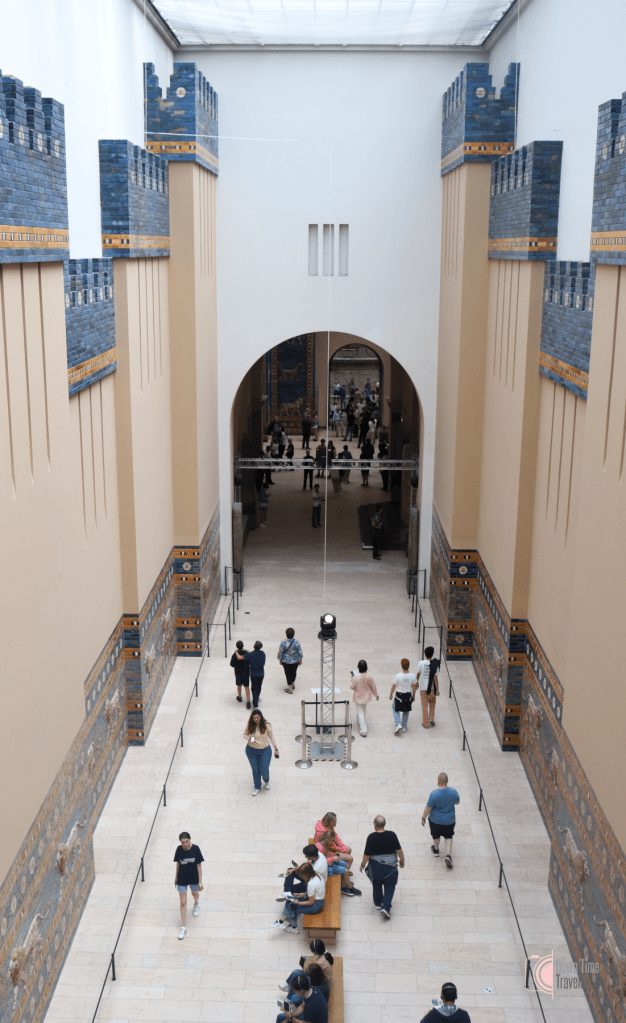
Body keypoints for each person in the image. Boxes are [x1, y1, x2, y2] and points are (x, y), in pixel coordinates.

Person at [359, 815, 404, 919]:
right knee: (390, 886)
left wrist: (362, 865)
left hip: (376, 867)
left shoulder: (371, 837)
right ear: (384, 824)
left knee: (376, 883)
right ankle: (386, 907)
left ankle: (378, 903)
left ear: (375, 825)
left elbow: (367, 855)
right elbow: (399, 851)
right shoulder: (392, 835)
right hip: (391, 867)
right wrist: (402, 860)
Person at [270, 862, 325, 934]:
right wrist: (302, 895)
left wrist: (298, 902)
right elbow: (314, 892)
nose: (301, 877)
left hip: (316, 906)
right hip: (315, 898)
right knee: (290, 900)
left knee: (291, 907)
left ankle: (291, 926)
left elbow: (311, 902)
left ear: (306, 875)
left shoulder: (311, 884)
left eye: (302, 875)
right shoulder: (316, 875)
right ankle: (282, 922)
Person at [422, 772, 460, 869]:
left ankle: (436, 850)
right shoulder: (454, 792)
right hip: (449, 820)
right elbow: (457, 802)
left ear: (438, 781)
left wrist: (423, 818)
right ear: (447, 781)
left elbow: (428, 808)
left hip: (435, 820)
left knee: (436, 835)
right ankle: (448, 855)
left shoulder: (434, 794)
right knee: (448, 836)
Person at [173, 831, 204, 940]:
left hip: (193, 877)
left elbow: (199, 866)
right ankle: (183, 926)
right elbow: (178, 863)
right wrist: (176, 877)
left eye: (187, 842)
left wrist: (200, 881)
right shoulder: (179, 849)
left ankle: (196, 904)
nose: (185, 844)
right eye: (183, 843)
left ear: (190, 839)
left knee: (195, 893)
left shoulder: (195, 849)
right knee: (183, 902)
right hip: (182, 878)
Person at [243, 708, 278, 795]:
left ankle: (266, 780)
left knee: (264, 769)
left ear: (261, 717)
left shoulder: (266, 725)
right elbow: (245, 734)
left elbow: (272, 737)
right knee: (255, 769)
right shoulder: (250, 725)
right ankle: (257, 786)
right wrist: (251, 739)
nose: (256, 719)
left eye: (257, 717)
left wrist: (276, 749)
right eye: (254, 718)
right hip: (251, 750)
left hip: (265, 750)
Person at [316, 829, 361, 896]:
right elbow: (321, 862)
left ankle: (344, 884)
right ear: (328, 839)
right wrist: (333, 858)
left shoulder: (325, 843)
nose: (333, 842)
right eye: (332, 840)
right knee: (346, 871)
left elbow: (327, 854)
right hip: (326, 866)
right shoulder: (320, 848)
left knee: (347, 865)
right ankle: (349, 888)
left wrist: (334, 854)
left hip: (331, 860)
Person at [350, 659, 379, 736]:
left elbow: (352, 687)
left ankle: (363, 730)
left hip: (358, 697)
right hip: (366, 697)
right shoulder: (369, 676)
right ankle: (359, 721)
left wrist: (352, 678)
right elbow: (373, 686)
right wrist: (376, 695)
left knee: (360, 712)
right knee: (363, 710)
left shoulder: (356, 676)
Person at [414, 645, 440, 728]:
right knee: (432, 703)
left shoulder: (421, 663)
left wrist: (416, 682)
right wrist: (437, 690)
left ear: (425, 654)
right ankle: (431, 718)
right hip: (432, 688)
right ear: (432, 654)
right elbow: (435, 678)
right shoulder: (435, 664)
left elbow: (418, 674)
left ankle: (425, 723)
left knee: (424, 706)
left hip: (423, 688)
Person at [390, 657, 416, 733]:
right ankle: (404, 727)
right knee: (406, 711)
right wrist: (414, 696)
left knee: (395, 709)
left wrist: (391, 694)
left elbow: (393, 686)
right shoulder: (412, 676)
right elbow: (414, 687)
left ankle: (398, 724)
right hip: (408, 696)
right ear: (409, 665)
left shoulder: (398, 676)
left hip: (399, 696)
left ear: (401, 666)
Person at [237, 640, 266, 707]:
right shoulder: (263, 653)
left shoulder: (251, 654)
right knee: (259, 687)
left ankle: (255, 704)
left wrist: (236, 652)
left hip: (254, 674)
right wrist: (246, 650)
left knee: (254, 689)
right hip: (261, 674)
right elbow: (254, 654)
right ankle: (257, 698)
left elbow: (239, 657)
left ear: (254, 646)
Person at [278, 627, 303, 694]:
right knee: (294, 672)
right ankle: (292, 683)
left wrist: (280, 659)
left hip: (286, 661)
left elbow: (280, 651)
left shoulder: (283, 642)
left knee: (288, 674)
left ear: (286, 634)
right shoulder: (297, 642)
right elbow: (300, 651)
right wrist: (300, 659)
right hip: (295, 661)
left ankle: (290, 689)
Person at [230, 639, 251, 708]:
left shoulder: (235, 654)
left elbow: (232, 664)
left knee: (239, 685)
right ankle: (248, 701)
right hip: (246, 672)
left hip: (238, 672)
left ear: (237, 646)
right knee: (246, 686)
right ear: (243, 646)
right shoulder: (246, 654)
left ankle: (239, 697)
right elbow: (250, 659)